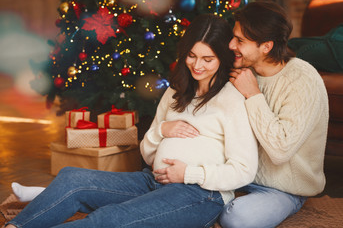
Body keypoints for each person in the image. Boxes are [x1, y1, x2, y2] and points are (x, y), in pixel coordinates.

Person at [5, 13, 258, 228]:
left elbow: (244, 170)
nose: (197, 66)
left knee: (111, 218)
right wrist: (161, 130)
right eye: (192, 56)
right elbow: (147, 155)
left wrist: (189, 173)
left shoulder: (232, 99)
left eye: (207, 59)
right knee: (72, 179)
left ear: (223, 58)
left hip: (200, 194)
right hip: (152, 180)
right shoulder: (175, 92)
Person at [216, 1, 329, 228]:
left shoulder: (302, 79)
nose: (230, 45)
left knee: (237, 219)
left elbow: (280, 150)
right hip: (239, 174)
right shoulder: (242, 71)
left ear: (266, 46)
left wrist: (253, 95)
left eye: (240, 40)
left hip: (282, 188)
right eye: (233, 37)